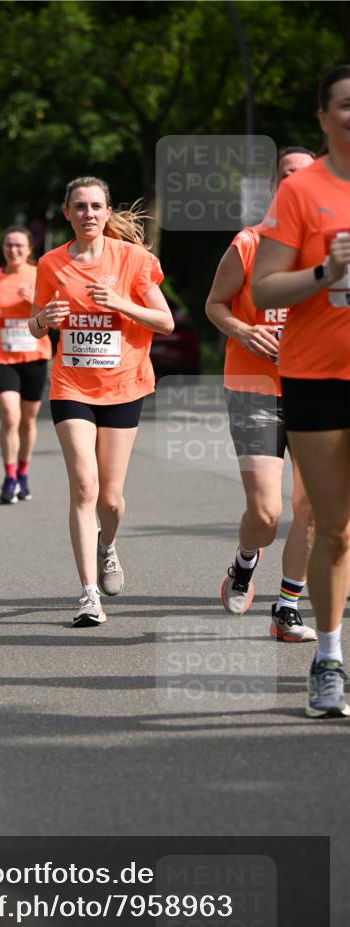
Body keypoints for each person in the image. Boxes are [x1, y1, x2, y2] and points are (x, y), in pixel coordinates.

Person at [29, 176, 174, 627]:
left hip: (124, 385)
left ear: (107, 212)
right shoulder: (51, 264)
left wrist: (120, 302)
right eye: (79, 206)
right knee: (84, 488)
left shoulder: (134, 259)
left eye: (96, 206)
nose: (88, 213)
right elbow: (36, 327)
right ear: (66, 212)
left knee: (110, 501)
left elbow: (166, 322)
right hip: (71, 386)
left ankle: (107, 545)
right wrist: (43, 318)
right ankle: (89, 596)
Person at [252, 65, 350, 718]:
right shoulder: (301, 190)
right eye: (344, 105)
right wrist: (324, 270)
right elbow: (262, 289)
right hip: (318, 377)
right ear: (321, 116)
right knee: (334, 530)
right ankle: (328, 659)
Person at [206, 146, 317, 640]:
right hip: (256, 388)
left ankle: (287, 607)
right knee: (268, 512)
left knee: (314, 507)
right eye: (287, 175)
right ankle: (245, 563)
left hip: (320, 388)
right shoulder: (250, 243)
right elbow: (214, 304)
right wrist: (242, 330)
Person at [0, 226, 51, 502]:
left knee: (29, 419)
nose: (14, 250)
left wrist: (34, 299)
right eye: (9, 245)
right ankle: (9, 478)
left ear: (29, 249)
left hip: (34, 355)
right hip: (2, 356)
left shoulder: (41, 274)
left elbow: (57, 313)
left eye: (19, 246)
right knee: (11, 416)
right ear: (3, 248)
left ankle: (23, 473)